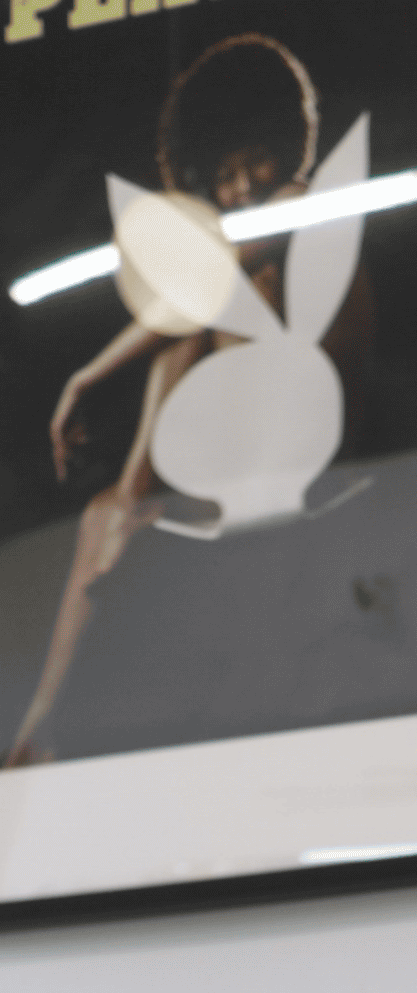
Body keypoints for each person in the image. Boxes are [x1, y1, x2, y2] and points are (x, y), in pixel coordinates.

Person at [4, 33, 320, 768]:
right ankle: (41, 724)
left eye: (252, 163)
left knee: (200, 308)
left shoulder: (300, 203)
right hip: (230, 436)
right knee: (105, 511)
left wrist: (87, 376)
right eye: (224, 174)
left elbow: (194, 291)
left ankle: (131, 504)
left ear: (282, 144)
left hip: (290, 429)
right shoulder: (227, 273)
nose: (239, 187)